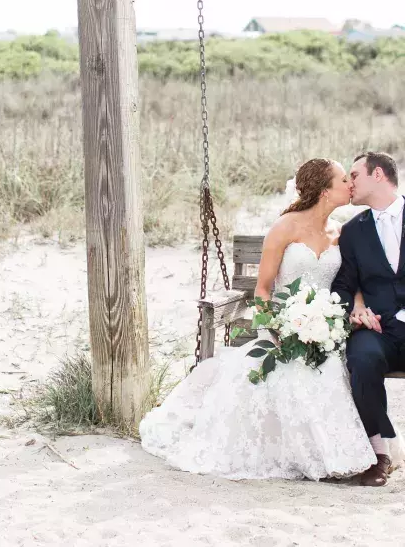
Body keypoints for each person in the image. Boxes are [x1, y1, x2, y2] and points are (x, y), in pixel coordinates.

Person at [140, 158, 376, 481]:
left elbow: (353, 284)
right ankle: (316, 458)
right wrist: (280, 329)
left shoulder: (339, 233)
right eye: (342, 180)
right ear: (324, 191)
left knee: (330, 368)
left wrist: (340, 318)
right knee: (292, 372)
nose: (350, 185)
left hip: (325, 333)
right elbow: (263, 291)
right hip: (282, 330)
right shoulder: (284, 228)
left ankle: (337, 458)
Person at [332, 151, 405, 487]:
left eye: (355, 175)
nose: (350, 183)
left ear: (378, 175)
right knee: (361, 358)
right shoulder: (352, 231)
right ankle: (379, 453)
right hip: (377, 327)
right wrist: (354, 310)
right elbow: (344, 285)